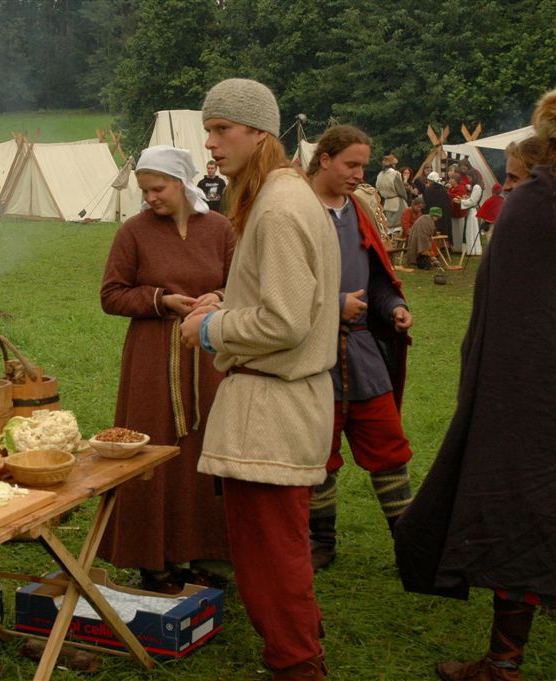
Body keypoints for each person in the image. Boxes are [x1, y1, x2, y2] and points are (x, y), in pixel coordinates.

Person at [394, 81, 556, 681]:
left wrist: (483, 382)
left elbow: (495, 312)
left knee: (521, 508)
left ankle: (503, 662)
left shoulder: (528, 204)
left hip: (529, 392)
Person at [180, 77, 340, 681]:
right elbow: (292, 298)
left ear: (258, 132)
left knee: (269, 553)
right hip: (279, 402)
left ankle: (297, 665)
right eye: (209, 131)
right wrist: (229, 299)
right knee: (280, 545)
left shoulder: (277, 206)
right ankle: (301, 642)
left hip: (271, 408)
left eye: (222, 129)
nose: (211, 143)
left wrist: (210, 328)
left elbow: (285, 321)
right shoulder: (284, 195)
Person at [98, 145, 234, 594]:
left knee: (205, 446)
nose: (150, 197)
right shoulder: (133, 232)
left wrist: (219, 297)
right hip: (154, 357)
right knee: (152, 449)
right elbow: (111, 294)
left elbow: (242, 282)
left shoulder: (219, 228)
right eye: (145, 190)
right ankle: (152, 560)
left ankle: (204, 554)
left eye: (158, 188)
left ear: (181, 183)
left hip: (210, 353)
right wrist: (161, 300)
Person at [304, 125, 415, 571]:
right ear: (324, 159)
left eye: (363, 166)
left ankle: (409, 542)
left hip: (363, 353)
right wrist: (334, 304)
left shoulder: (360, 210)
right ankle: (320, 542)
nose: (358, 174)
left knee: (388, 446)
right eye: (351, 164)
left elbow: (377, 280)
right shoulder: (296, 209)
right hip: (311, 355)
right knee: (318, 454)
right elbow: (275, 286)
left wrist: (394, 307)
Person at [376, 154, 409, 227]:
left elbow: (378, 188)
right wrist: (406, 197)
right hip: (397, 203)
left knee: (389, 225)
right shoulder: (395, 174)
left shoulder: (380, 175)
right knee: (400, 224)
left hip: (386, 202)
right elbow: (401, 190)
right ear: (393, 165)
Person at [406, 206, 440, 270]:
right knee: (425, 246)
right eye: (436, 217)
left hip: (418, 235)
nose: (437, 219)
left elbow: (430, 231)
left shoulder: (426, 218)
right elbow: (428, 233)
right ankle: (425, 261)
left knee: (426, 245)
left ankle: (428, 260)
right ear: (433, 215)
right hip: (420, 236)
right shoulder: (427, 220)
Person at [423, 171, 453, 238]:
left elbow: (425, 203)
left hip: (432, 215)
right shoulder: (444, 190)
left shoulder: (427, 190)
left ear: (430, 181)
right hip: (443, 216)